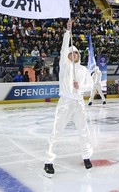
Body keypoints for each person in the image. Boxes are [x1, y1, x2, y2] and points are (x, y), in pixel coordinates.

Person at [44, 19, 94, 177]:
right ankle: (49, 161)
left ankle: (86, 156)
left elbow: (91, 85)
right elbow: (63, 48)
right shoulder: (64, 67)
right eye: (72, 53)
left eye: (77, 53)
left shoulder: (83, 69)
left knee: (83, 131)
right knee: (57, 131)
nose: (75, 55)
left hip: (78, 101)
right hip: (65, 101)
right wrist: (67, 31)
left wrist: (81, 87)